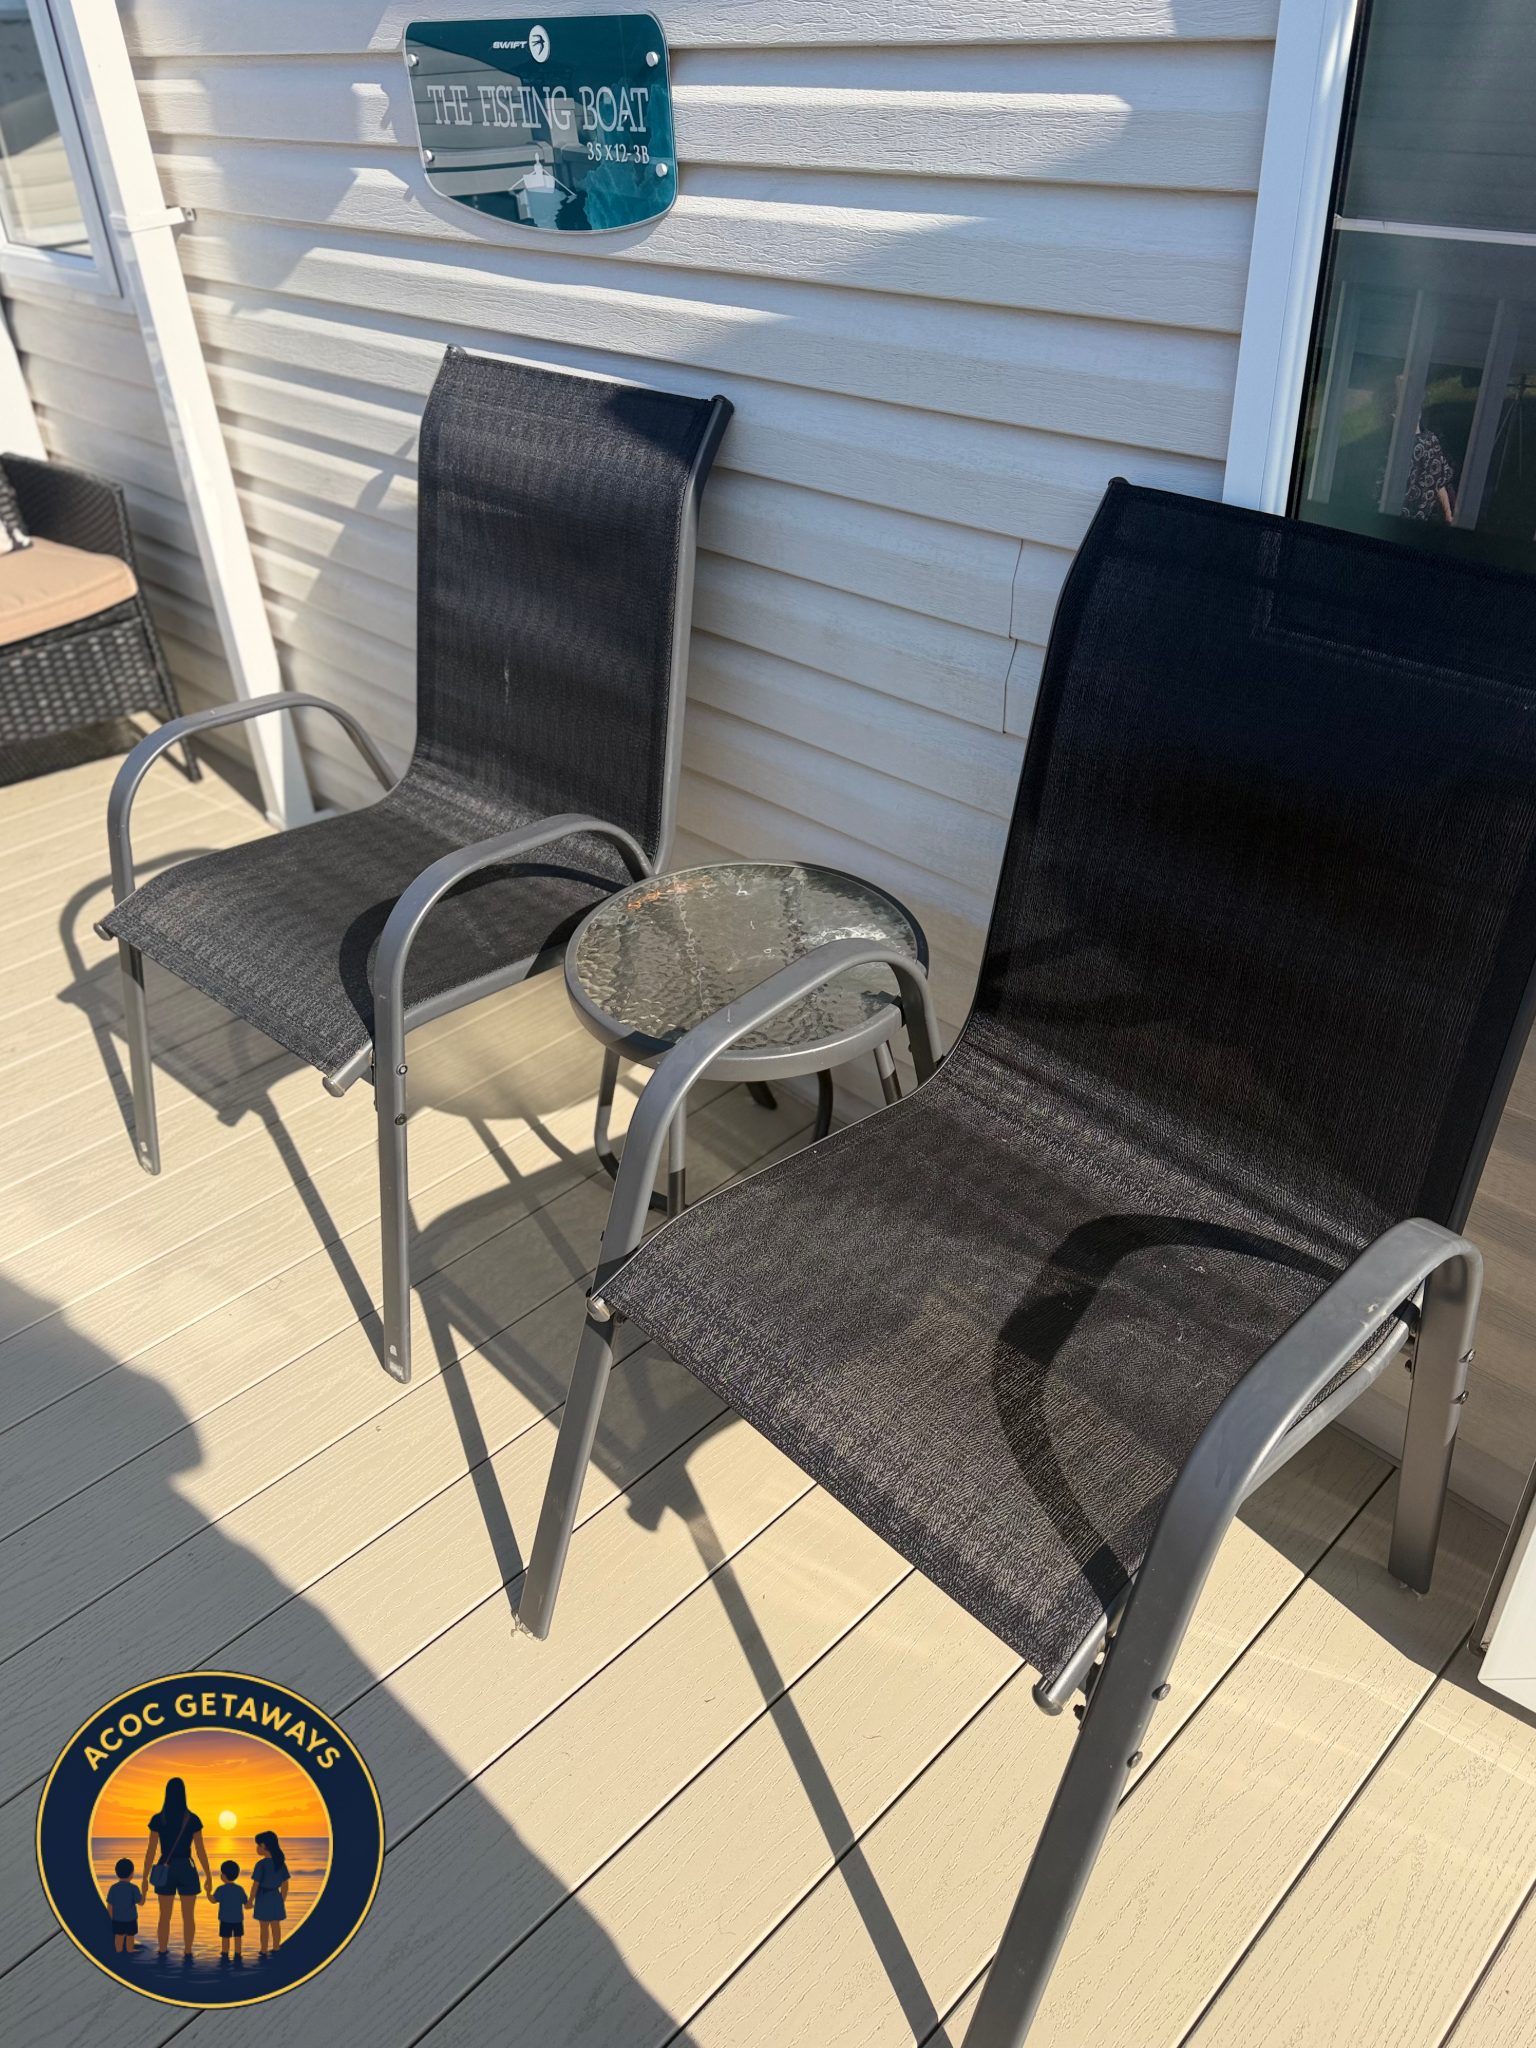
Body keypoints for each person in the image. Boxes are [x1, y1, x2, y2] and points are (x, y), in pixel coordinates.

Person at [139, 1776, 212, 1958]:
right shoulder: (192, 1819)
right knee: (188, 1916)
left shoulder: (158, 1819)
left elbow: (151, 1851)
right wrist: (208, 1876)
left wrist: (144, 1878)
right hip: (186, 1868)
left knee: (164, 1916)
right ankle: (187, 1953)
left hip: (165, 1868)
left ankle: (163, 1951)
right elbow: (200, 1851)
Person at [250, 1831, 289, 1955]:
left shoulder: (261, 1864)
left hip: (263, 1896)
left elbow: (255, 1884)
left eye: (258, 1845)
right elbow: (285, 1883)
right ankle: (276, 1947)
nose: (257, 1848)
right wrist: (282, 1898)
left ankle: (264, 1950)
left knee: (264, 1927)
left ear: (264, 1845)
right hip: (276, 1896)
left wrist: (250, 1900)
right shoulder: (280, 1863)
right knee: (275, 1924)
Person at [105, 1857, 142, 1954]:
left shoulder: (113, 1888)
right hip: (130, 1919)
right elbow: (140, 1902)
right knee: (130, 1935)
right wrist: (144, 1892)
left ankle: (118, 1950)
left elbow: (110, 1905)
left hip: (117, 1919)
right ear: (132, 1874)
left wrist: (111, 1918)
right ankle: (130, 1949)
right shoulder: (134, 1888)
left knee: (119, 1936)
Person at [212, 1860, 247, 1960]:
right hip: (238, 1919)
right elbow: (245, 1902)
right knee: (238, 1937)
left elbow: (214, 1900)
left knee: (225, 1938)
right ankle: (238, 1954)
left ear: (224, 1875)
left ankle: (225, 1954)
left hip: (225, 1919)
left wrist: (208, 1893)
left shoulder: (221, 1889)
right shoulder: (239, 1889)